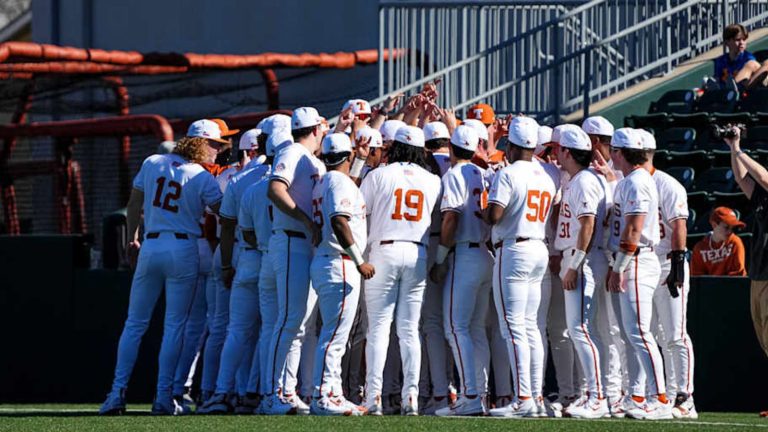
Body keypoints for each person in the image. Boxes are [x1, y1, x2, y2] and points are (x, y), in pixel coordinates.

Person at [99, 120, 225, 415]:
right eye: (216, 145)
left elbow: (133, 204)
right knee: (175, 326)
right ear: (201, 143)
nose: (218, 152)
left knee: (134, 324)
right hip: (183, 248)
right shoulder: (201, 176)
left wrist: (132, 238)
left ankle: (116, 393)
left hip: (151, 245)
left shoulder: (153, 161)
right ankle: (163, 396)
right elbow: (224, 213)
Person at [360, 125, 442, 416]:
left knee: (379, 329)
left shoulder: (378, 174)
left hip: (384, 249)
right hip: (417, 251)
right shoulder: (433, 180)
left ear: (395, 147)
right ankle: (411, 397)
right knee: (409, 330)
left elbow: (360, 213)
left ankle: (374, 397)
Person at [485, 116, 557, 418]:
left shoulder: (508, 173)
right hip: (539, 246)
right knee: (530, 327)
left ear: (511, 145)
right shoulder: (545, 174)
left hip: (514, 249)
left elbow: (495, 215)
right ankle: (536, 396)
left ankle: (523, 398)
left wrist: (485, 209)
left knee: (513, 327)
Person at [262, 107, 326, 415]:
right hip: (290, 240)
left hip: (303, 244)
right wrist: (304, 219)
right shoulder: (291, 151)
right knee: (289, 320)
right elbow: (275, 189)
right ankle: (271, 394)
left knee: (301, 324)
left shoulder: (311, 158)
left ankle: (287, 391)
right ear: (315, 129)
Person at [607, 128, 670, 420]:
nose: (610, 154)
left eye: (613, 149)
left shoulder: (637, 182)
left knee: (640, 333)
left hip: (637, 259)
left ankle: (662, 398)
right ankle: (637, 395)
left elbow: (634, 227)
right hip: (631, 258)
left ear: (620, 152)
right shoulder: (628, 180)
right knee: (632, 335)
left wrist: (618, 266)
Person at [428, 125, 491, 417]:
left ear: (452, 149)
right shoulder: (479, 172)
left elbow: (451, 217)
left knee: (456, 328)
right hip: (484, 252)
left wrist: (440, 258)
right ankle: (480, 391)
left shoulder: (454, 174)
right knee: (475, 330)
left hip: (464, 254)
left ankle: (470, 395)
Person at [309, 133, 372, 416]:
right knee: (334, 335)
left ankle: (330, 392)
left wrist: (357, 160)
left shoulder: (325, 180)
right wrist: (360, 260)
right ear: (347, 157)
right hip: (341, 261)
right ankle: (324, 395)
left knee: (333, 333)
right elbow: (339, 220)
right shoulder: (338, 181)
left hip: (328, 259)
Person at [637, 129, 698, 419]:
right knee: (653, 333)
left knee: (675, 333)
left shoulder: (666, 184)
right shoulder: (631, 182)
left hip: (667, 261)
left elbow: (680, 225)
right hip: (648, 262)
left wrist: (677, 264)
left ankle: (685, 398)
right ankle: (663, 394)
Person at [554, 126, 609, 419]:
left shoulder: (585, 181)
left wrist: (574, 264)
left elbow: (587, 224)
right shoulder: (581, 178)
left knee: (580, 329)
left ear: (567, 152)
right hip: (581, 256)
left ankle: (597, 397)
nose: (557, 154)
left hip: (582, 259)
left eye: (560, 149)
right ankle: (592, 393)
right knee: (583, 329)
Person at [725, 126, 768, 417]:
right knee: (764, 338)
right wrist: (733, 146)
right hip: (759, 273)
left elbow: (764, 177)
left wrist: (741, 151)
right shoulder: (762, 199)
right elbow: (743, 179)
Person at [691, 207, 747, 276]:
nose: (730, 231)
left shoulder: (735, 242)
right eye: (726, 227)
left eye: (732, 228)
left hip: (732, 285)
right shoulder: (699, 248)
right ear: (714, 225)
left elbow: (738, 273)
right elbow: (697, 277)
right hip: (708, 286)